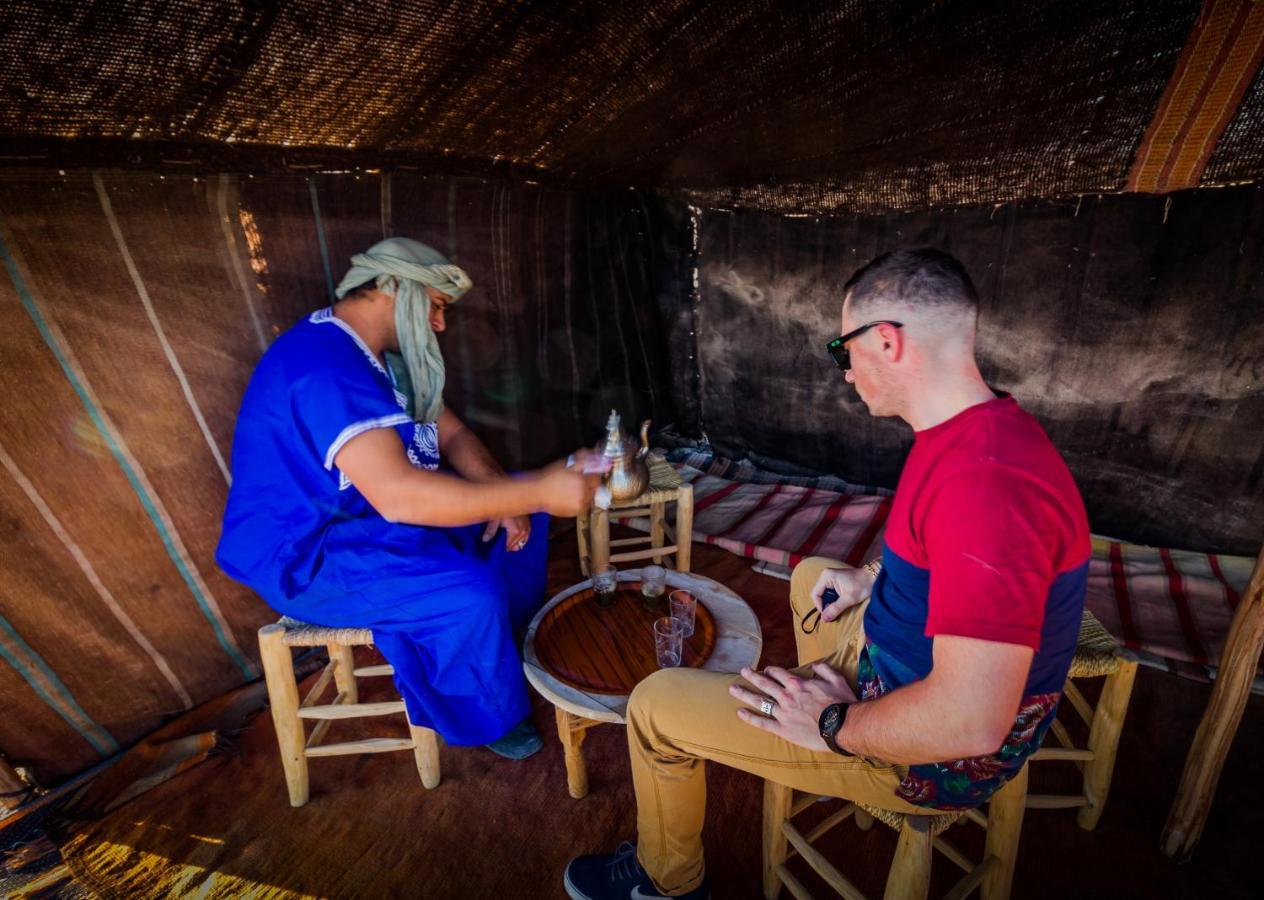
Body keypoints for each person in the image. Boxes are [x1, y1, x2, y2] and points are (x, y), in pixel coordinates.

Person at [563, 248, 1090, 898]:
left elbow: (973, 721)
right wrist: (873, 577)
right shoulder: (970, 432)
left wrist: (833, 726)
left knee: (653, 704)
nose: (844, 372)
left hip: (937, 750)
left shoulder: (986, 488)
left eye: (844, 351)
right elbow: (937, 554)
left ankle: (667, 880)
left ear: (888, 342)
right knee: (815, 573)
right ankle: (823, 696)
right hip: (899, 663)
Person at [218, 237, 600, 760]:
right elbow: (399, 496)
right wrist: (538, 486)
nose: (440, 324)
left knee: (516, 511)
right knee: (469, 593)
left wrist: (507, 493)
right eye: (437, 306)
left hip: (372, 525)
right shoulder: (323, 365)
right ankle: (488, 710)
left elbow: (454, 436)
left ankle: (492, 648)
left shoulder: (386, 364)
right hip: (310, 553)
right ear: (393, 287)